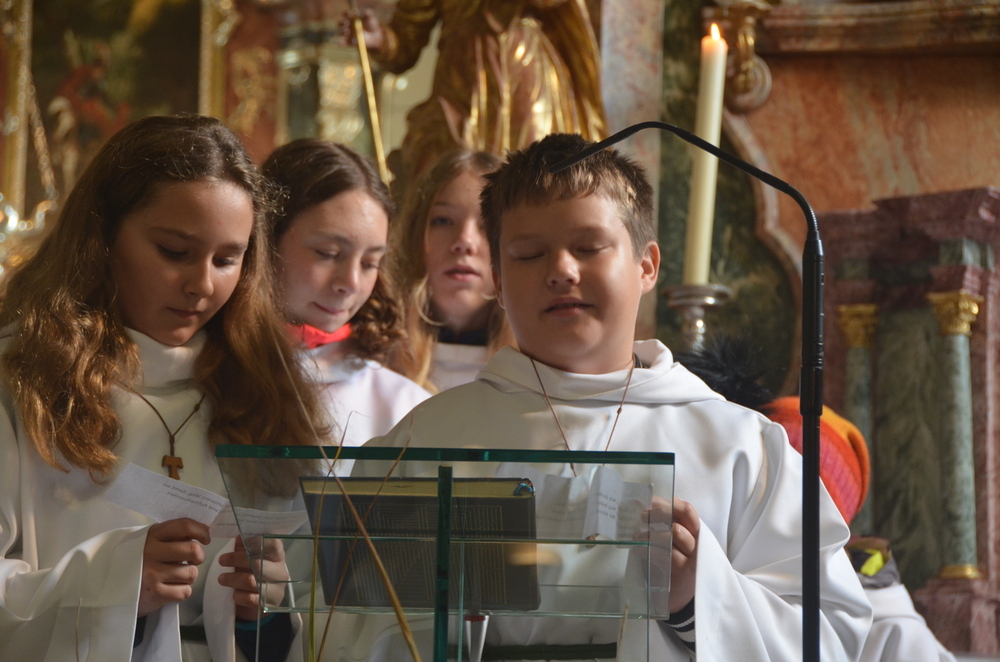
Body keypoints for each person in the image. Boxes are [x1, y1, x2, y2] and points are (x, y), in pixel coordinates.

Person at [349, 134, 871, 660]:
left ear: (646, 266)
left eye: (589, 247)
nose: (562, 270)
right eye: (529, 254)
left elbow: (830, 635)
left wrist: (697, 597)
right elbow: (342, 623)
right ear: (499, 283)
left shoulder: (741, 447)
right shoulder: (422, 443)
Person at [0, 115, 330, 662]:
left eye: (227, 259)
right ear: (103, 238)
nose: (202, 284)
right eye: (175, 252)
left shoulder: (266, 394)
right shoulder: (19, 380)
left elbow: (322, 603)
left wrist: (265, 606)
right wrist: (118, 583)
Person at [262, 139, 430, 463]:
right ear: (267, 239)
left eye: (369, 263)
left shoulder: (405, 409)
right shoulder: (200, 376)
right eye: (328, 254)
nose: (351, 283)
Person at [343, 0, 607, 190]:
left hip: (524, 76)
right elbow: (407, 35)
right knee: (439, 180)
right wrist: (379, 39)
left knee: (534, 182)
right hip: (460, 82)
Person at [391, 149, 512, 392]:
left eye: (487, 224)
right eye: (443, 220)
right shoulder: (372, 364)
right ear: (415, 235)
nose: (464, 241)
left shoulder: (543, 371)